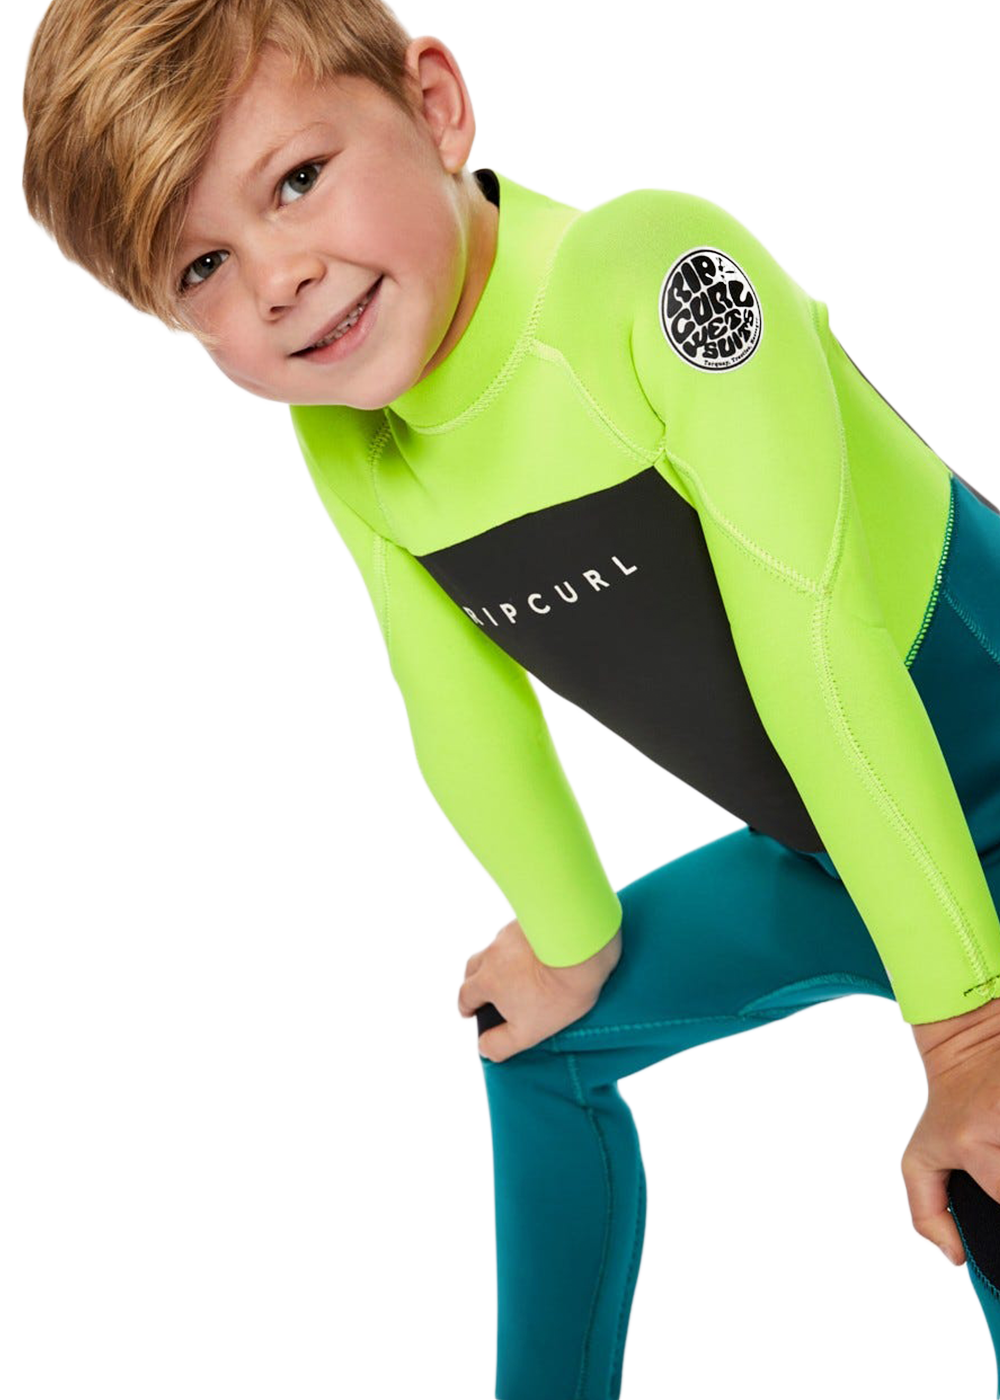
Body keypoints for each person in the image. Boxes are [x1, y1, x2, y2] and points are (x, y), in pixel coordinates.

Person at [20, 2, 1000, 1395]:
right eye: (203, 265)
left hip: (949, 822)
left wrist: (968, 1033)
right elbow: (454, 703)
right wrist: (570, 934)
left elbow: (816, 642)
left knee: (992, 1170)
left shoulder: (653, 270)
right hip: (839, 852)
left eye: (297, 178)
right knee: (534, 1046)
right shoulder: (353, 441)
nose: (280, 280)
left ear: (433, 105)